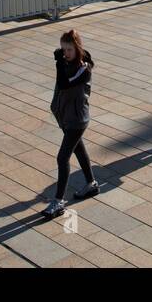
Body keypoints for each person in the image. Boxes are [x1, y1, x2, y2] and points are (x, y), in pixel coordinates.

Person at [44, 29, 100, 218]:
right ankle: (91, 184)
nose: (65, 53)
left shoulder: (84, 69)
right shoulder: (66, 63)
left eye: (69, 49)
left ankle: (58, 201)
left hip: (77, 120)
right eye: (63, 49)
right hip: (65, 117)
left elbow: (65, 84)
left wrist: (59, 63)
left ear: (77, 48)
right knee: (79, 150)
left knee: (62, 158)